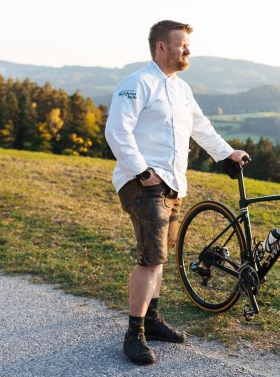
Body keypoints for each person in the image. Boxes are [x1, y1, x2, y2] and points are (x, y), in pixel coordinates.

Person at [105, 20, 249, 365]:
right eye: (181, 44)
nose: (187, 51)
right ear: (161, 48)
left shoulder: (181, 89)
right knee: (151, 258)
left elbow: (201, 126)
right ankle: (134, 333)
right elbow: (117, 131)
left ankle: (151, 321)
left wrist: (226, 153)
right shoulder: (136, 83)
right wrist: (142, 171)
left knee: (161, 256)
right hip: (142, 183)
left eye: (188, 45)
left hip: (172, 184)